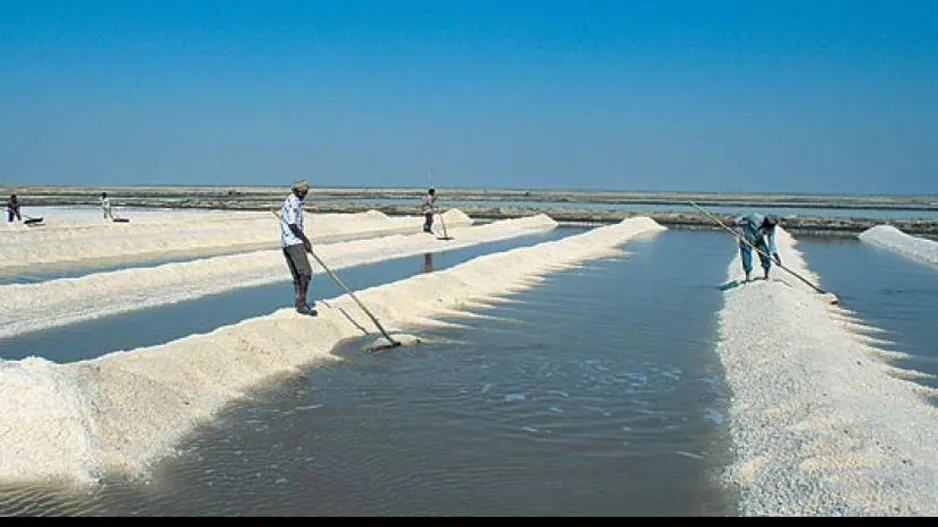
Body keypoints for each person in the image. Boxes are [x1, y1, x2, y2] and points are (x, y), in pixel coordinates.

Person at [280, 179, 317, 315]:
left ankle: (299, 302)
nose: (304, 195)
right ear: (295, 191)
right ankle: (301, 304)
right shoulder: (293, 203)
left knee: (298, 275)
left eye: (305, 192)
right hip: (293, 242)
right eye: (302, 192)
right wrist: (305, 240)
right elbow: (292, 225)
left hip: (288, 242)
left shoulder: (292, 201)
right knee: (305, 273)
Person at [733, 213, 781, 282]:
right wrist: (736, 221)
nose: (768, 226)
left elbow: (771, 243)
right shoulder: (755, 216)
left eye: (771, 225)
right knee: (746, 256)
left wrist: (776, 257)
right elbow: (745, 216)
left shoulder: (771, 229)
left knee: (766, 255)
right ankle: (747, 277)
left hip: (758, 240)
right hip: (746, 238)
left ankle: (766, 276)